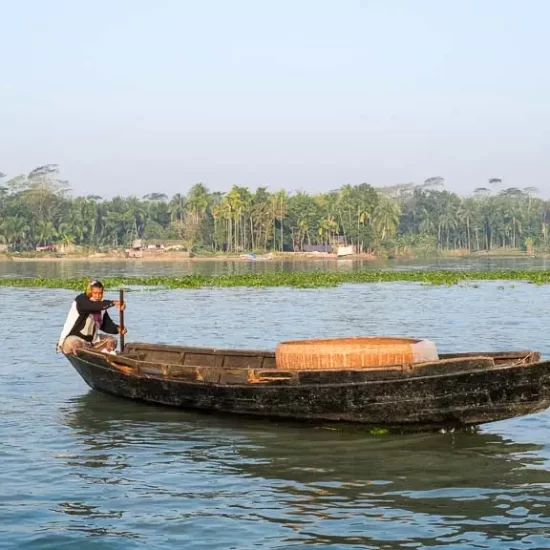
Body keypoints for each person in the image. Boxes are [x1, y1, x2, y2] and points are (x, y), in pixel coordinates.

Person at [57, 280, 127, 355]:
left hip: (92, 341)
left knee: (112, 341)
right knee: (75, 344)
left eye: (100, 293)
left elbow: (105, 325)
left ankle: (101, 354)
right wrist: (114, 303)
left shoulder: (101, 306)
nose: (97, 296)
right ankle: (95, 352)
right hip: (72, 338)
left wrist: (118, 329)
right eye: (95, 293)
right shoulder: (81, 300)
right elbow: (93, 306)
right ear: (90, 292)